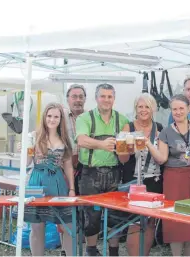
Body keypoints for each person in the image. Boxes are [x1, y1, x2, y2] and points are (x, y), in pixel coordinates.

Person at [148, 94, 190, 256]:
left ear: (188, 109)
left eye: (181, 108)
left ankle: (189, 254)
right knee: (175, 219)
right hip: (175, 178)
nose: (178, 112)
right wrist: (148, 143)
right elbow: (162, 159)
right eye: (174, 109)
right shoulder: (166, 132)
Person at [76, 83, 129, 256]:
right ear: (96, 98)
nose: (106, 100)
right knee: (91, 215)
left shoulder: (122, 120)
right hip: (90, 173)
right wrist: (102, 144)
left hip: (114, 172)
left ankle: (113, 251)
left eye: (109, 96)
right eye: (103, 96)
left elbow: (125, 156)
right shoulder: (85, 118)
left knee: (115, 215)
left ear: (114, 98)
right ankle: (91, 250)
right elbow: (82, 140)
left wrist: (125, 151)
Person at [23, 103, 75, 256]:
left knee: (67, 225)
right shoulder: (33, 136)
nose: (52, 119)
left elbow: (68, 166)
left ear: (61, 119)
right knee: (37, 227)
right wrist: (24, 150)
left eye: (56, 116)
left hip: (58, 182)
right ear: (44, 117)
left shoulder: (65, 139)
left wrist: (71, 188)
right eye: (49, 116)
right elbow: (26, 163)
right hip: (36, 181)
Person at [120, 93, 164, 256]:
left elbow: (163, 157)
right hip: (134, 180)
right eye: (140, 106)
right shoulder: (128, 127)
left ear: (153, 109)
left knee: (150, 222)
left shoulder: (159, 128)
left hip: (154, 179)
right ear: (135, 109)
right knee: (135, 222)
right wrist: (127, 148)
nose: (144, 110)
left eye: (147, 106)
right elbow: (123, 159)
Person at [59, 84, 87, 256]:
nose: (77, 100)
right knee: (65, 209)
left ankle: (82, 248)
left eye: (81, 96)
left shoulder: (92, 117)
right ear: (67, 98)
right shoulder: (60, 117)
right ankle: (65, 248)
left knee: (84, 210)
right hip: (65, 169)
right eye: (74, 96)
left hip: (86, 169)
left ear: (85, 99)